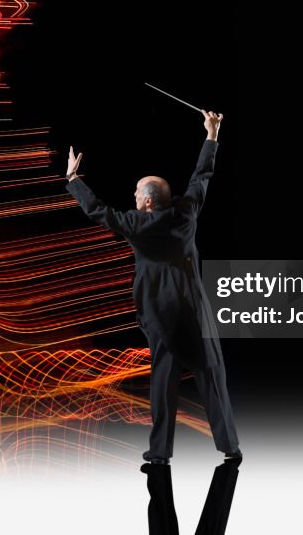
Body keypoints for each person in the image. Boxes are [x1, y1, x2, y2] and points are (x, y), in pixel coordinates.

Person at [65, 110, 242, 465]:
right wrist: (212, 134)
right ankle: (230, 448)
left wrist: (73, 178)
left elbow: (99, 211)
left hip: (161, 316)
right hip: (194, 312)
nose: (132, 195)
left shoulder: (136, 224)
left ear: (148, 202)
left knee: (164, 384)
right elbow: (201, 175)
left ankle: (160, 453)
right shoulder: (186, 213)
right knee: (212, 377)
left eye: (136, 192)